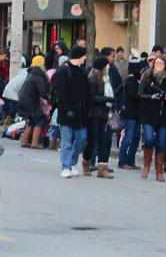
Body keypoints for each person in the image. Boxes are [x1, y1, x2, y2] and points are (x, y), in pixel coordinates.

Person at [52, 45, 89, 178]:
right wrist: (67, 109)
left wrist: (86, 110)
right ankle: (66, 167)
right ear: (79, 56)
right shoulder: (64, 71)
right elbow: (61, 94)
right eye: (84, 55)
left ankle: (73, 163)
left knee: (81, 139)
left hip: (80, 113)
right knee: (67, 142)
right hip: (66, 114)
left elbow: (86, 93)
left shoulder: (82, 72)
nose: (85, 58)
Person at [138, 54, 166, 181]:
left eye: (161, 63)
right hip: (149, 113)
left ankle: (159, 170)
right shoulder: (147, 77)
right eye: (157, 63)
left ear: (165, 65)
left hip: (163, 114)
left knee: (161, 142)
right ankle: (146, 165)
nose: (159, 65)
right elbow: (140, 94)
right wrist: (150, 97)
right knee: (149, 139)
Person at [84, 57, 116, 178]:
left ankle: (102, 168)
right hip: (94, 114)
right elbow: (91, 98)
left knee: (105, 140)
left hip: (105, 113)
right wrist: (106, 99)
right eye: (107, 65)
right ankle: (86, 162)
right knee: (92, 141)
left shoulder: (107, 79)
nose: (109, 67)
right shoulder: (92, 79)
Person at [17, 56, 49, 149]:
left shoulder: (31, 73)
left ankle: (25, 141)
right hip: (31, 101)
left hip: (24, 100)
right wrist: (48, 97)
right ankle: (35, 142)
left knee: (31, 120)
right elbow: (43, 91)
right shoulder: (39, 76)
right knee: (40, 119)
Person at [117, 61, 142, 170]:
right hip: (130, 113)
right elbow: (133, 95)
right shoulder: (131, 80)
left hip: (136, 113)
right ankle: (123, 160)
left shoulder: (135, 80)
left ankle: (130, 160)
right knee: (129, 136)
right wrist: (142, 96)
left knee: (136, 137)